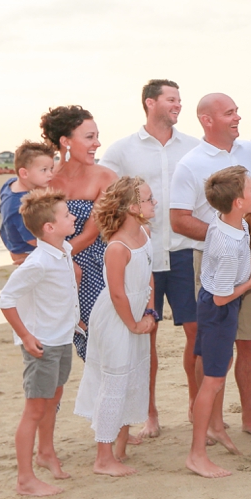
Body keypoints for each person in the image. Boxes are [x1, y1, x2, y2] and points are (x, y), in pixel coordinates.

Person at [100, 78, 200, 439]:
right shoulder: (122, 149)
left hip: (186, 251)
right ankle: (150, 413)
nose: (178, 104)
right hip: (143, 257)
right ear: (150, 103)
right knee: (147, 335)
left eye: (179, 99)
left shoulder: (193, 146)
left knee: (196, 331)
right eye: (171, 99)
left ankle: (195, 406)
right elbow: (104, 193)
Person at [169, 93, 251, 436]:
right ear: (207, 120)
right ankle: (214, 423)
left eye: (237, 111)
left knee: (249, 340)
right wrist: (227, 238)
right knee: (211, 344)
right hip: (209, 261)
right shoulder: (190, 163)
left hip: (249, 258)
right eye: (229, 113)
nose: (237, 117)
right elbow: (178, 220)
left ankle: (249, 419)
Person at [0, 189, 80, 496]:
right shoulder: (37, 263)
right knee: (34, 408)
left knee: (52, 399)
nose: (73, 217)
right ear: (49, 227)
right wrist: (27, 336)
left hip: (61, 339)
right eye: (67, 214)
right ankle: (25, 479)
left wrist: (75, 321)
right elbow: (5, 299)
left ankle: (46, 454)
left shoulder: (65, 249)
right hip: (41, 344)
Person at [186, 166, 251, 478]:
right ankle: (197, 454)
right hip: (218, 310)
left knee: (214, 372)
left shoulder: (234, 225)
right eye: (250, 188)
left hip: (215, 303)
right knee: (214, 380)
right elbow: (222, 298)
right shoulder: (228, 243)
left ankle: (214, 431)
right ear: (237, 202)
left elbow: (231, 264)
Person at [72, 177, 156, 476]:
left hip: (137, 314)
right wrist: (132, 323)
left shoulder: (145, 233)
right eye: (147, 199)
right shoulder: (117, 247)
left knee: (134, 377)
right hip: (116, 319)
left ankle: (120, 445)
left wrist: (149, 311)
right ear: (133, 207)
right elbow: (117, 292)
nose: (153, 203)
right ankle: (103, 457)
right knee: (115, 383)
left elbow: (149, 276)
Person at [41, 105, 117, 360]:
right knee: (51, 350)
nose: (97, 143)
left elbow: (90, 234)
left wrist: (58, 259)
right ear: (65, 141)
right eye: (89, 137)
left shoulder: (105, 177)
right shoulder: (45, 179)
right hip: (52, 268)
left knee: (98, 347)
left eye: (96, 136)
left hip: (93, 267)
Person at [0, 141, 57, 265]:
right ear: (24, 173)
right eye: (44, 170)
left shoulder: (11, 183)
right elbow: (33, 239)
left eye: (51, 169)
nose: (50, 174)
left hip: (15, 245)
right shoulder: (21, 207)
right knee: (75, 271)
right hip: (27, 252)